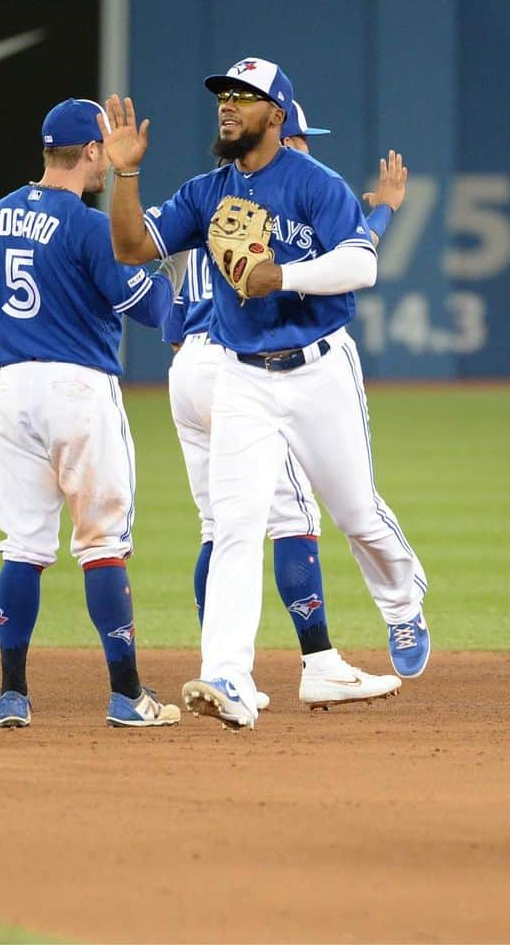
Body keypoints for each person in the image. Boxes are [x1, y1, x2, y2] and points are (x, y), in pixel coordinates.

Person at [99, 58, 430, 731]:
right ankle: (228, 676)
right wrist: (125, 172)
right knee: (236, 526)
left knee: (356, 511)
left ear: (276, 115)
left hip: (319, 370)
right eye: (223, 94)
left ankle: (401, 604)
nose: (228, 105)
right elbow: (132, 245)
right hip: (243, 375)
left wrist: (281, 276)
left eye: (244, 97)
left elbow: (362, 263)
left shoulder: (315, 183)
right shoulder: (204, 192)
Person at [160, 97, 407, 709]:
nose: (306, 149)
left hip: (189, 363)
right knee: (288, 517)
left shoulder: (212, 203)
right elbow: (331, 262)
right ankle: (314, 661)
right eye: (303, 138)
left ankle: (226, 668)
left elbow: (159, 299)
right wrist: (380, 217)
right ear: (283, 134)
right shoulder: (277, 201)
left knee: (222, 525)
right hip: (238, 363)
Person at [0, 97, 186, 730]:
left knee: (23, 547)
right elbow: (142, 302)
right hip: (78, 391)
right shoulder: (90, 226)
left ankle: (12, 695)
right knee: (102, 545)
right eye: (100, 154)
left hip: (12, 389)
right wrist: (176, 294)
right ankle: (127, 695)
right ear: (92, 152)